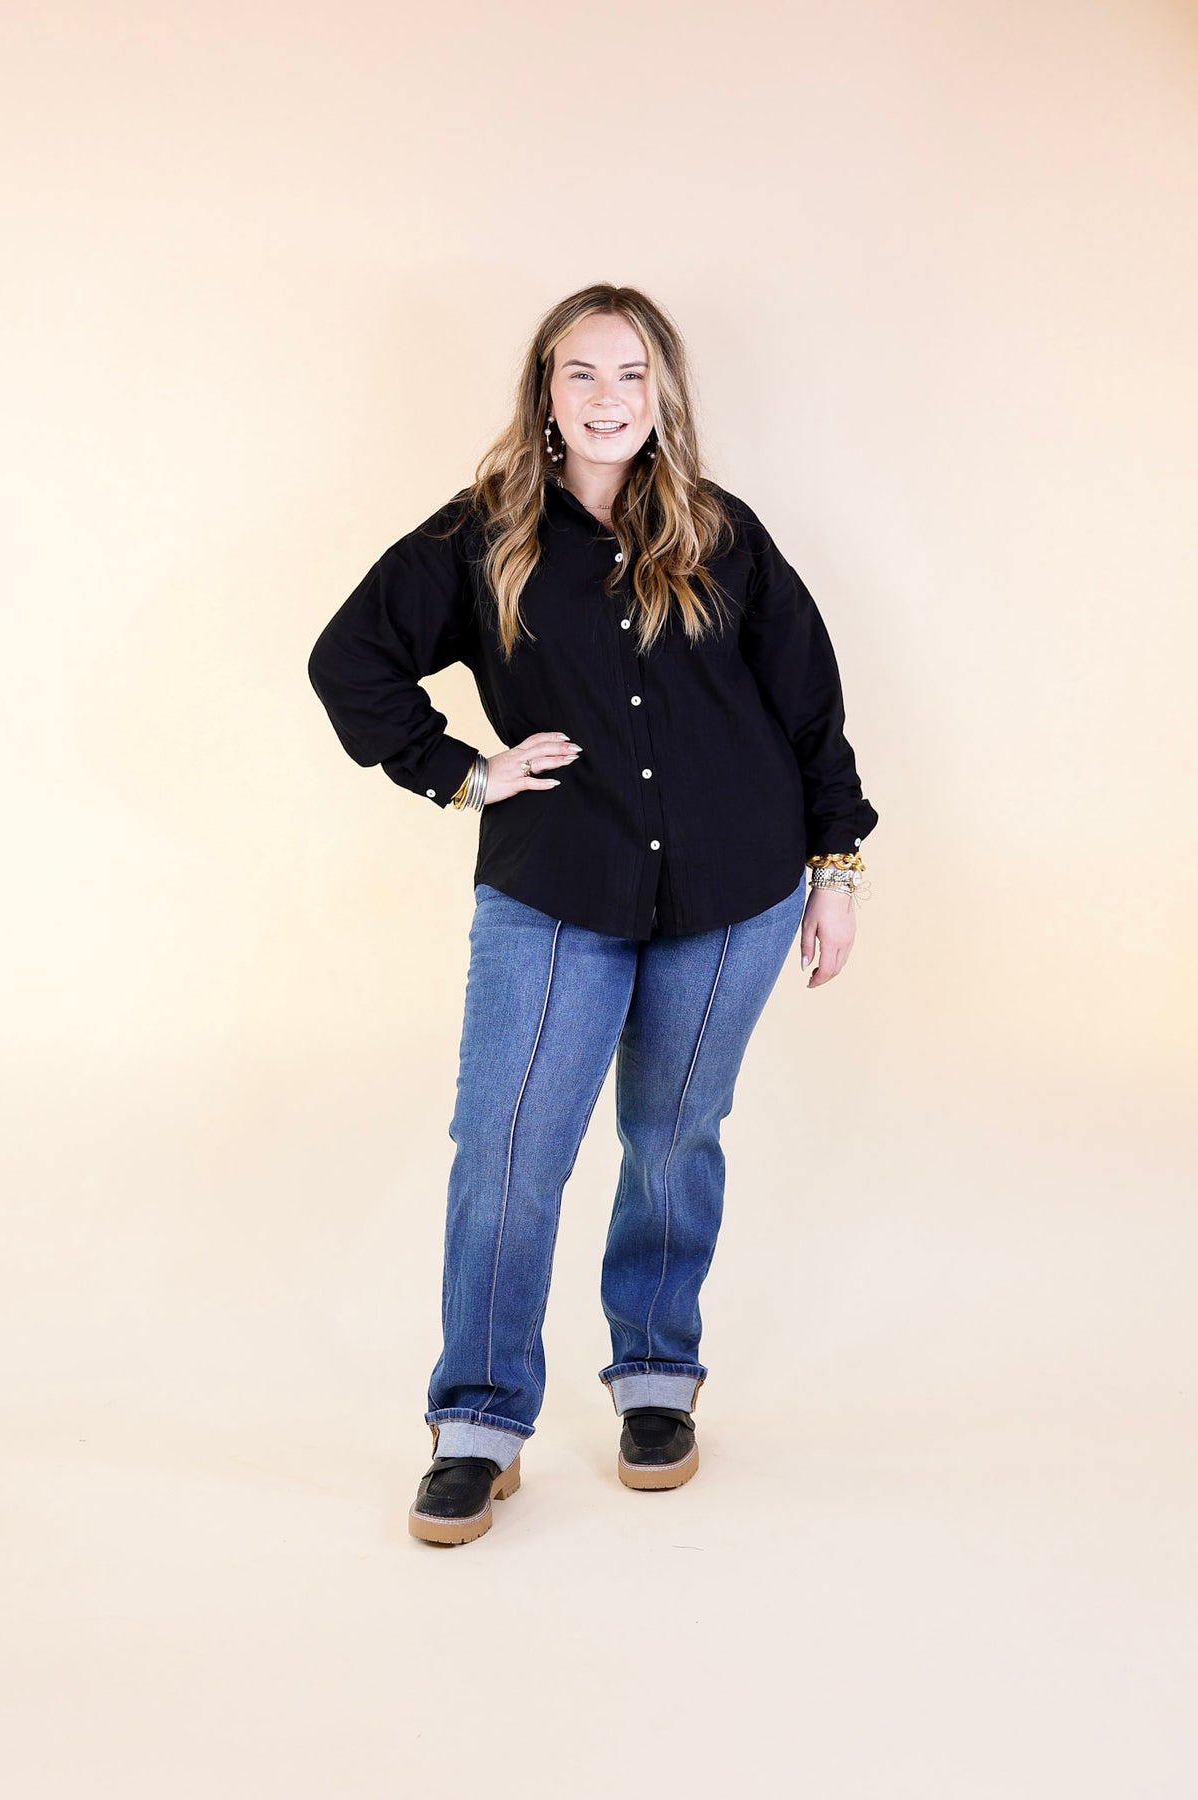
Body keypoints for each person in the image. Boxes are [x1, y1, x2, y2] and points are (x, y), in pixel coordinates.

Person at [308, 283, 880, 1547]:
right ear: (545, 393)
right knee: (507, 1151)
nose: (608, 397)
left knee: (673, 1139)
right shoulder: (481, 536)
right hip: (554, 888)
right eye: (582, 373)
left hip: (733, 892)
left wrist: (835, 869)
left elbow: (809, 705)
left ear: (663, 393)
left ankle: (657, 1379)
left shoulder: (723, 534)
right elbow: (350, 660)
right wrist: (463, 772)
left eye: (632, 374)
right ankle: (478, 1421)